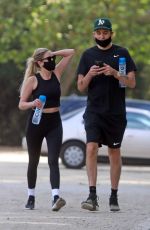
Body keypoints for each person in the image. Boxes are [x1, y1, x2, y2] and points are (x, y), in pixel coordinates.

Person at [77, 18, 136, 211]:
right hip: (94, 111)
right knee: (91, 147)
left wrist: (116, 73)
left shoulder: (122, 53)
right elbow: (80, 87)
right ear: (94, 34)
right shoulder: (87, 55)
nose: (102, 36)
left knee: (114, 152)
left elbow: (132, 83)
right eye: (98, 33)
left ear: (111, 34)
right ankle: (92, 195)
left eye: (105, 33)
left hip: (116, 113)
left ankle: (113, 195)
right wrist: (90, 75)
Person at [19, 47, 75, 211]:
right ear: (38, 63)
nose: (51, 62)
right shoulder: (32, 80)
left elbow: (71, 52)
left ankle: (55, 197)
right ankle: (31, 196)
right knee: (33, 161)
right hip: (36, 122)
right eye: (48, 60)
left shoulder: (56, 74)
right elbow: (21, 104)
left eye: (52, 59)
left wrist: (53, 54)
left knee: (53, 160)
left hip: (54, 122)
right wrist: (32, 103)